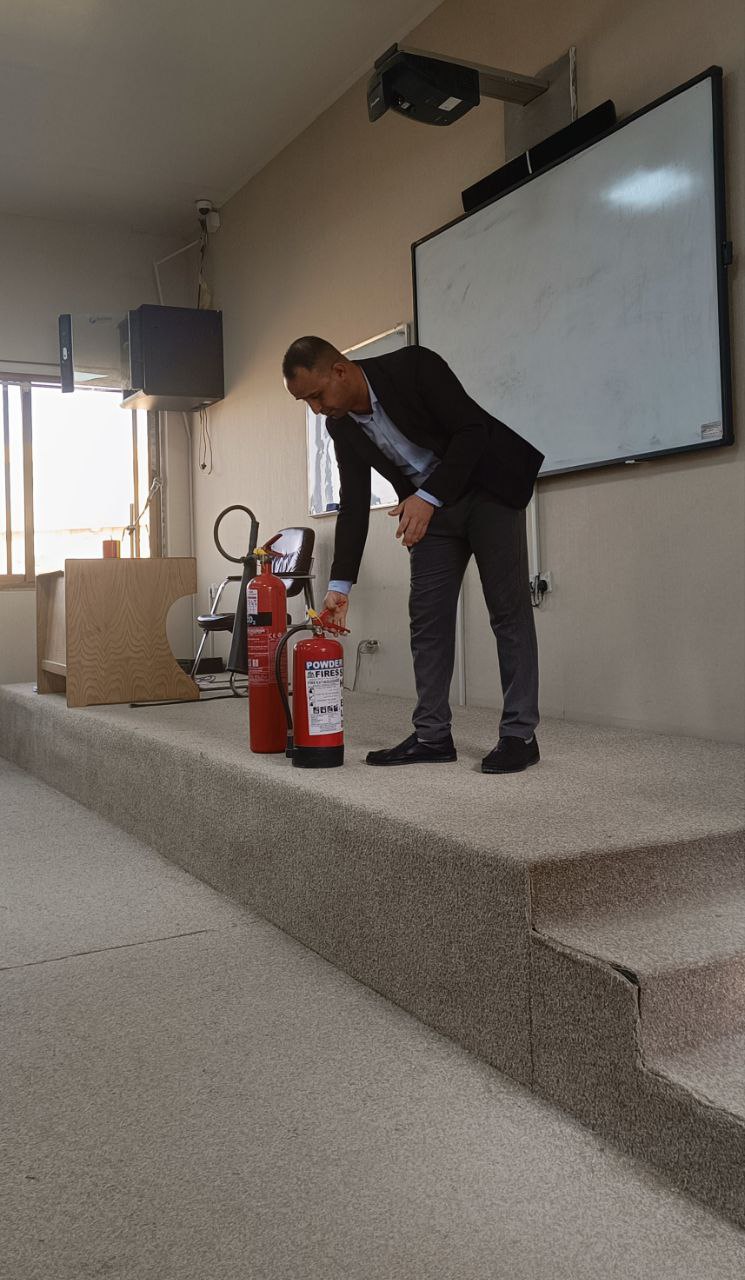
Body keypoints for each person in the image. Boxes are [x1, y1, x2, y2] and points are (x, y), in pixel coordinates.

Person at [282, 336, 544, 773]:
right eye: (304, 402)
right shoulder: (341, 425)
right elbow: (353, 504)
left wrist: (428, 496)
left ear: (340, 371)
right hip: (430, 509)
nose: (316, 408)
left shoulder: (414, 367)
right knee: (427, 618)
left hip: (487, 490)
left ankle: (520, 735)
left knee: (507, 611)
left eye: (316, 395)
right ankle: (431, 735)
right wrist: (340, 586)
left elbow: (472, 431)